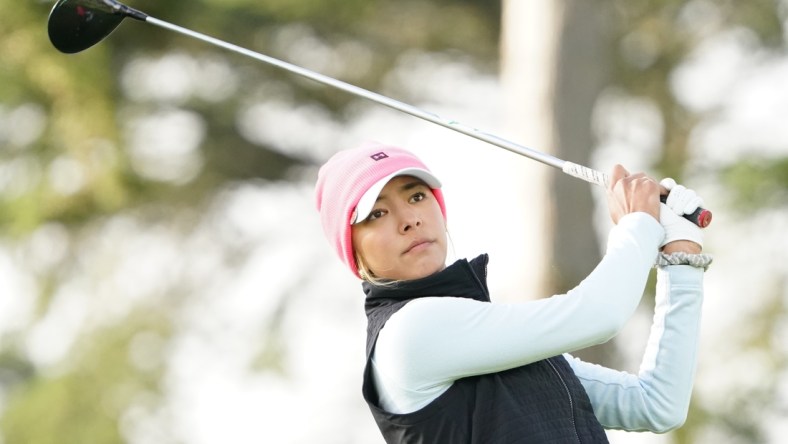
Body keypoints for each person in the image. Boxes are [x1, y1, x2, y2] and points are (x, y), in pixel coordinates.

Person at [314, 141, 711, 443]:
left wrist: (681, 260)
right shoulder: (410, 332)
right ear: (353, 248)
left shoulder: (486, 335)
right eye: (377, 213)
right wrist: (638, 223)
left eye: (417, 196)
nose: (410, 219)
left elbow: (656, 405)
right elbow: (598, 315)